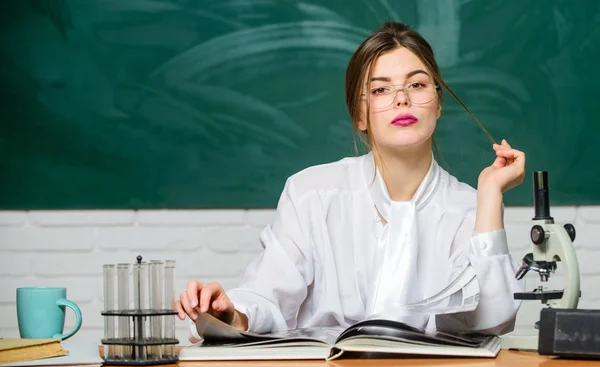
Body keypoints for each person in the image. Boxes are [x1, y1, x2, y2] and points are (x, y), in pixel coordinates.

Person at [176, 21, 525, 341]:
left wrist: (490, 194)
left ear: (438, 104)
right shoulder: (311, 192)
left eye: (416, 84)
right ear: (359, 114)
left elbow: (490, 320)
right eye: (380, 90)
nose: (401, 98)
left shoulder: (468, 206)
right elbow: (267, 294)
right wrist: (231, 313)